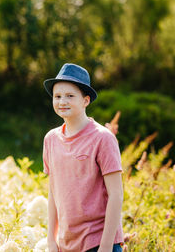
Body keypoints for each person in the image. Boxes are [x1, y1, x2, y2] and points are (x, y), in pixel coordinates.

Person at [42, 63, 124, 252]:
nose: (62, 101)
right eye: (57, 96)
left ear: (86, 101)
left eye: (70, 96)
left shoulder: (103, 138)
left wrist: (105, 247)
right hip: (66, 243)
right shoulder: (51, 139)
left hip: (99, 242)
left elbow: (116, 195)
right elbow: (53, 192)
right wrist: (51, 240)